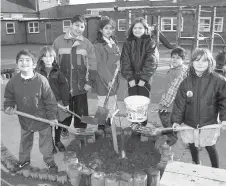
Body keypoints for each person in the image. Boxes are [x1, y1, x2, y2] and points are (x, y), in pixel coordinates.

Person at [4, 49, 58, 172]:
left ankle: (49, 161)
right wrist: (9, 106)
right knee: (25, 142)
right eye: (21, 60)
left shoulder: (41, 80)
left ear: (34, 64)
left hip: (42, 119)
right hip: (25, 121)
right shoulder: (13, 82)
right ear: (17, 63)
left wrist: (52, 117)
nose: (24, 63)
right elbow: (9, 97)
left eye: (27, 60)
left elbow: (50, 101)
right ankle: (24, 161)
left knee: (46, 144)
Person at [171, 48, 226, 168]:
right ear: (191, 63)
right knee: (192, 144)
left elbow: (224, 101)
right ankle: (196, 164)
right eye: (197, 60)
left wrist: (224, 118)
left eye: (204, 60)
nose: (200, 63)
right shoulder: (186, 82)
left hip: (209, 122)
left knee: (210, 146)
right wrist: (176, 121)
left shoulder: (218, 81)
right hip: (189, 122)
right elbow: (180, 103)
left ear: (210, 62)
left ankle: (215, 169)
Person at [52, 15, 96, 129]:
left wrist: (89, 82)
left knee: (81, 109)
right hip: (63, 84)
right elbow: (52, 63)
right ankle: (64, 128)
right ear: (71, 25)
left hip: (81, 84)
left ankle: (81, 129)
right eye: (77, 25)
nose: (79, 28)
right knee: (64, 108)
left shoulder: (87, 44)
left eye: (82, 27)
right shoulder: (58, 41)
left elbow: (92, 64)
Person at [120, 17, 159, 126]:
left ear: (146, 29)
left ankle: (143, 123)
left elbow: (152, 61)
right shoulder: (128, 42)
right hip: (131, 77)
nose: (137, 30)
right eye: (135, 28)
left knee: (142, 101)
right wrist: (130, 78)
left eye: (140, 28)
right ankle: (134, 123)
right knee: (133, 100)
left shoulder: (150, 42)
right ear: (131, 29)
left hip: (144, 78)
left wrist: (143, 79)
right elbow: (125, 60)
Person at [36, 46, 71, 153]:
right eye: (45, 56)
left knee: (58, 123)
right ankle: (50, 143)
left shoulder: (58, 72)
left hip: (57, 102)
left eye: (50, 56)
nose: (48, 58)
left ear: (54, 57)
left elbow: (64, 88)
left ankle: (57, 141)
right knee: (47, 124)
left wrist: (65, 102)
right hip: (44, 104)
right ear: (41, 58)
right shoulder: (37, 72)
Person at [93, 16, 120, 127]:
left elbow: (118, 57)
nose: (109, 31)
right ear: (101, 30)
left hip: (114, 79)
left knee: (112, 101)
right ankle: (100, 125)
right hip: (103, 80)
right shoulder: (97, 45)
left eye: (111, 28)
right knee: (103, 102)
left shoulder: (114, 43)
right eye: (106, 28)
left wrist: (120, 62)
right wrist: (108, 80)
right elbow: (99, 65)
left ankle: (109, 122)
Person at [159, 47, 188, 146]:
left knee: (167, 121)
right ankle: (170, 132)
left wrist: (164, 105)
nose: (174, 59)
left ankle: (171, 139)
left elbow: (173, 91)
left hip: (170, 105)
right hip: (168, 100)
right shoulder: (175, 69)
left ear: (183, 60)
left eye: (178, 58)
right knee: (166, 120)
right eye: (173, 57)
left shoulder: (179, 73)